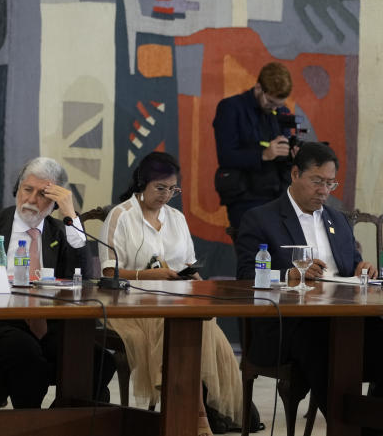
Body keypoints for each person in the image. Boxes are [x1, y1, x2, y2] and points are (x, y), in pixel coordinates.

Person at [0, 157, 112, 408]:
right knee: (26, 353)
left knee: (101, 361)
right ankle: (31, 422)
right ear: (18, 189)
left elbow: (83, 276)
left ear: (56, 201)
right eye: (27, 190)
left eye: (43, 194)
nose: (32, 200)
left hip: (47, 324)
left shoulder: (60, 232)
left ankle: (61, 420)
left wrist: (70, 214)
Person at [235, 142, 383, 417]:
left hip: (342, 318)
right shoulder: (260, 219)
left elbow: (350, 268)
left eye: (330, 183)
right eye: (317, 181)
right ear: (294, 174)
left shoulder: (337, 220)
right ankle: (346, 424)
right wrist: (289, 275)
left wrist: (362, 269)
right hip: (288, 325)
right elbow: (245, 279)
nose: (324, 191)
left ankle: (371, 419)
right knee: (320, 339)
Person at [100, 151, 243, 435]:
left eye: (172, 189)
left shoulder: (176, 217)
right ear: (143, 183)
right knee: (179, 323)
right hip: (134, 304)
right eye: (160, 188)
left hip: (178, 298)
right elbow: (108, 274)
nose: (166, 195)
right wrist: (150, 275)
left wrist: (197, 280)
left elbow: (188, 264)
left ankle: (190, 406)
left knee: (200, 321)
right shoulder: (121, 216)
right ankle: (197, 414)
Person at [213, 62, 295, 236]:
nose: (274, 108)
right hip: (245, 196)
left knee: (280, 257)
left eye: (279, 105)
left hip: (278, 193)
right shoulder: (231, 108)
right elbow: (226, 156)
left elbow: (285, 149)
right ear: (259, 88)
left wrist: (292, 154)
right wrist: (264, 154)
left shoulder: (281, 112)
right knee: (254, 256)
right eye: (271, 102)